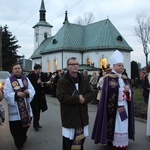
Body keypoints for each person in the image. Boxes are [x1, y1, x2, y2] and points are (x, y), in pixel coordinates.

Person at [92, 50, 135, 148]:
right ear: (114, 66)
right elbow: (107, 92)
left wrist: (128, 90)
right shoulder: (108, 78)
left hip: (124, 105)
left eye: (122, 65)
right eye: (119, 65)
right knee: (115, 123)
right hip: (113, 106)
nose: (121, 67)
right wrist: (119, 91)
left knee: (123, 122)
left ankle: (122, 141)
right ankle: (112, 140)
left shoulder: (124, 78)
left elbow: (130, 91)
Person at [56, 57, 93, 150]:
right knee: (69, 142)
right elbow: (61, 97)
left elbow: (91, 93)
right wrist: (77, 99)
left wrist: (84, 99)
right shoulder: (63, 81)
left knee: (81, 140)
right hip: (70, 115)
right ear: (67, 66)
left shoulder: (83, 79)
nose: (75, 66)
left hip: (82, 115)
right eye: (72, 64)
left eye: (77, 64)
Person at [3, 63, 35, 150]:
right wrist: (17, 95)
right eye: (15, 68)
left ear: (21, 70)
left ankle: (23, 137)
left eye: (19, 68)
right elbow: (6, 93)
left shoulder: (26, 79)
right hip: (15, 110)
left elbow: (32, 89)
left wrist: (29, 92)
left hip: (26, 107)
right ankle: (19, 143)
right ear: (12, 71)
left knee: (26, 125)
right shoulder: (8, 80)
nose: (17, 70)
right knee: (16, 128)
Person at [27, 64, 48, 131]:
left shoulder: (40, 75)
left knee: (38, 110)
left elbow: (41, 85)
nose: (40, 70)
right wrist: (37, 82)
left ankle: (37, 123)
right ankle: (34, 125)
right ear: (35, 69)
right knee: (35, 111)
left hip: (40, 96)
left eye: (40, 69)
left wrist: (45, 84)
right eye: (39, 69)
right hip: (34, 97)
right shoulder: (30, 76)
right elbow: (30, 86)